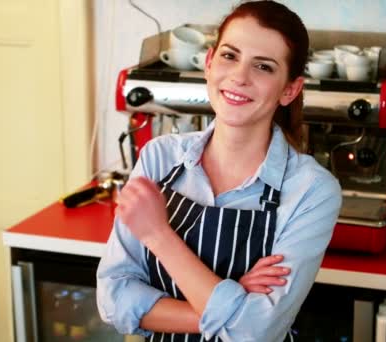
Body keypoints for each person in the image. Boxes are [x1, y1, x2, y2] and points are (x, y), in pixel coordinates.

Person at [97, 1, 342, 341]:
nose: (240, 76)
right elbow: (114, 299)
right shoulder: (160, 159)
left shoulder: (312, 190)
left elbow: (256, 335)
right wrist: (232, 302)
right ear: (210, 63)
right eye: (230, 56)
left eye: (264, 67)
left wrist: (158, 235)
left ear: (290, 90)